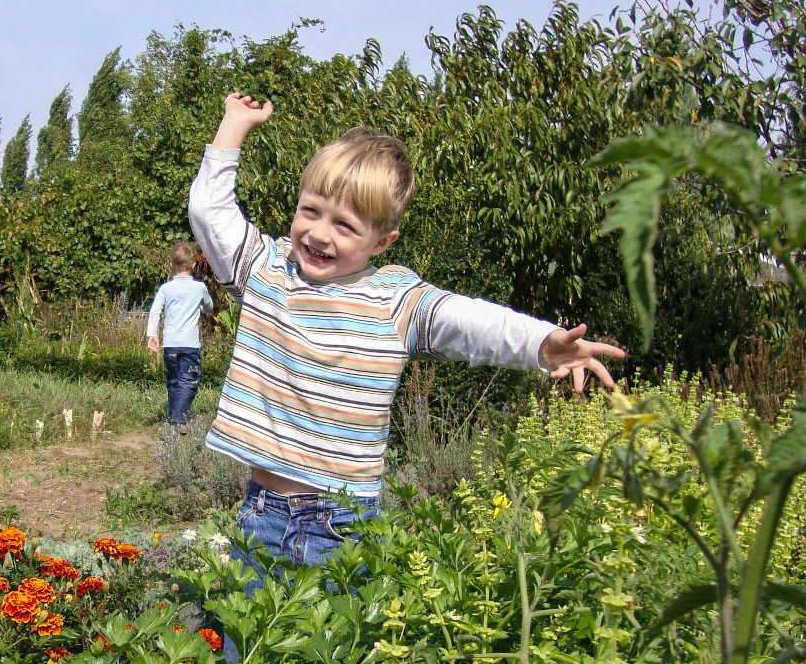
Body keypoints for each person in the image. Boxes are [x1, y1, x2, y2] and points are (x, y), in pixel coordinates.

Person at [189, 92, 625, 619]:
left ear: (383, 240)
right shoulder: (266, 269)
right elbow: (209, 212)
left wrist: (541, 342)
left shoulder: (396, 299)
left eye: (345, 225)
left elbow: (468, 321)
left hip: (341, 528)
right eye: (311, 211)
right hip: (259, 513)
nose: (319, 233)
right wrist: (234, 125)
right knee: (245, 663)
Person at [145, 241, 214, 434]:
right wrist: (199, 307)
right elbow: (209, 307)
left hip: (170, 344)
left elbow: (155, 311)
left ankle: (176, 417)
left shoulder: (166, 289)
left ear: (171, 265)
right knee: (189, 380)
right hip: (190, 345)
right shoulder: (199, 288)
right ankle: (179, 419)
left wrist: (152, 334)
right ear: (193, 265)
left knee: (174, 381)